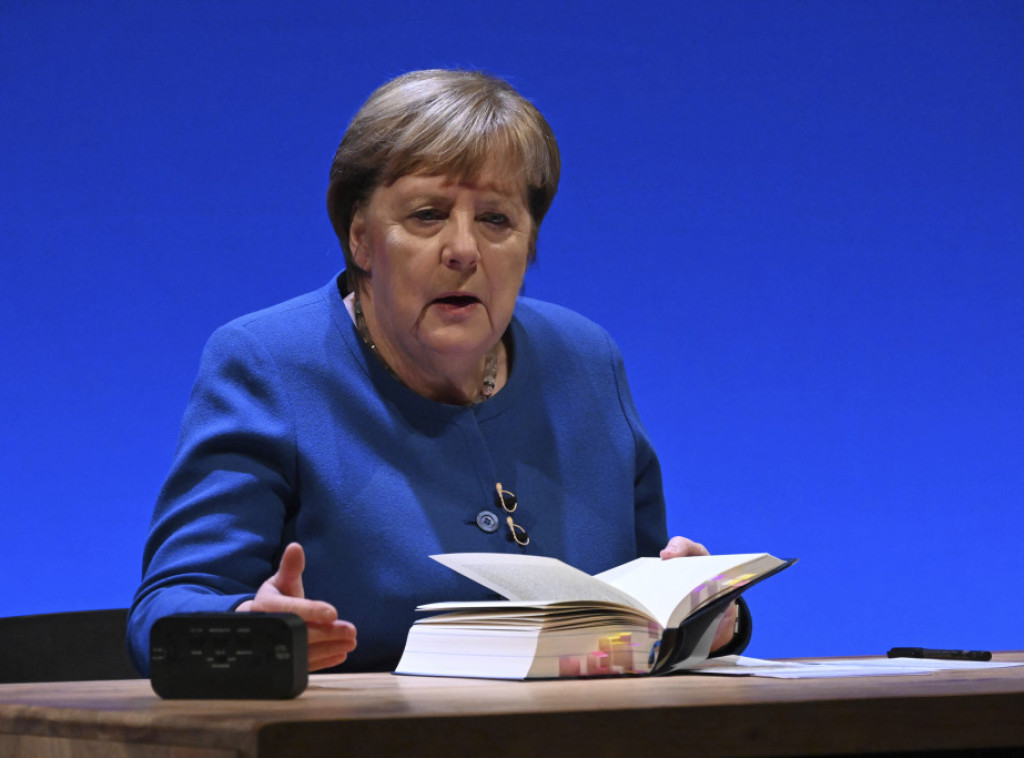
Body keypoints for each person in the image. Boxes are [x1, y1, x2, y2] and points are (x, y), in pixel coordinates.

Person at [127, 69, 746, 674]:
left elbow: (642, 615)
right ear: (361, 237)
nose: (464, 250)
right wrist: (253, 632)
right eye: (427, 215)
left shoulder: (585, 360)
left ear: (530, 244)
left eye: (496, 219)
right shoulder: (271, 363)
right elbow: (165, 612)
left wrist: (704, 616)